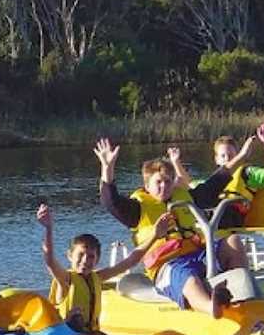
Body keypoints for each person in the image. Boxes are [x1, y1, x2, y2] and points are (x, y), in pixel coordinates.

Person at [95, 136, 254, 319]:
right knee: (189, 278)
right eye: (158, 182)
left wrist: (241, 157)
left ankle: (245, 298)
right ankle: (212, 308)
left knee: (232, 241)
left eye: (168, 181)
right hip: (167, 265)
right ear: (147, 186)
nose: (164, 186)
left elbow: (215, 183)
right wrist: (107, 169)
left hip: (197, 254)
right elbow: (111, 202)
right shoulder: (137, 209)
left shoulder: (185, 196)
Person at [36, 204, 169, 335]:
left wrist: (155, 236)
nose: (85, 261)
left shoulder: (97, 277)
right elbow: (50, 260)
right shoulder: (65, 280)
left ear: (97, 260)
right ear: (70, 256)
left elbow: (131, 261)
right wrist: (48, 228)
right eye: (80, 255)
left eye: (91, 257)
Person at [197, 121, 264, 228]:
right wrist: (176, 163)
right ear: (216, 160)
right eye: (223, 156)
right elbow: (189, 186)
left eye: (231, 155)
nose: (227, 159)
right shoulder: (214, 180)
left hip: (232, 215)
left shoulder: (246, 173)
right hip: (213, 212)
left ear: (238, 156)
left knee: (215, 211)